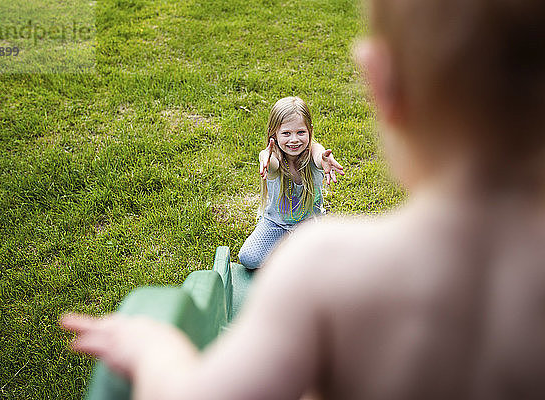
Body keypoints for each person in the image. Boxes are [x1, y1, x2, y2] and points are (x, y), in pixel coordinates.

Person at [60, 0, 545, 398]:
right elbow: (282, 152)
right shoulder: (273, 163)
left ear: (379, 81)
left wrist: (155, 350)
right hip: (278, 222)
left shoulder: (323, 265)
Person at [237, 96, 344, 269]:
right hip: (275, 222)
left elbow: (318, 153)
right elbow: (271, 163)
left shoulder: (314, 154)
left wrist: (324, 158)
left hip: (308, 224)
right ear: (274, 134)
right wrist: (265, 157)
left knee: (319, 266)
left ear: (309, 131)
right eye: (286, 133)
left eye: (300, 132)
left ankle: (289, 249)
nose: (294, 139)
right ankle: (283, 249)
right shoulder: (274, 160)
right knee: (249, 258)